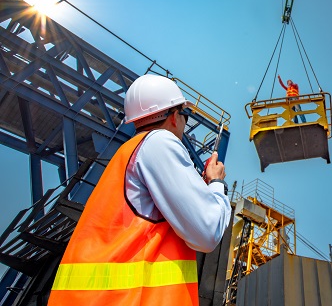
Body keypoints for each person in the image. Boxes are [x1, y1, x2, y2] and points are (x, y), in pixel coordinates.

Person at [48, 74, 231, 306]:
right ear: (174, 116)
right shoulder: (160, 142)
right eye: (185, 115)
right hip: (132, 299)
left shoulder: (128, 152)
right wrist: (216, 184)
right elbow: (207, 233)